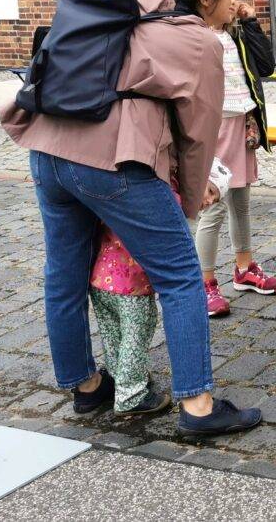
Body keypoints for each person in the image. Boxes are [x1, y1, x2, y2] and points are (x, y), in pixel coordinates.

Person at [0, 0, 262, 437]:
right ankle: (199, 407)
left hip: (49, 147)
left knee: (64, 272)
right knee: (181, 277)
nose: (236, 2)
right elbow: (198, 131)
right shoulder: (198, 40)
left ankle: (85, 384)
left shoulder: (126, 7)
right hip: (112, 162)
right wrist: (189, 194)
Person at [88, 160, 230, 415]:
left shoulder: (145, 187)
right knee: (136, 334)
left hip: (101, 277)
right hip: (131, 282)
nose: (209, 201)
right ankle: (130, 394)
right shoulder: (168, 200)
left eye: (215, 200)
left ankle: (122, 378)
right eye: (209, 191)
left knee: (113, 335)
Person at [194, 0, 276, 317]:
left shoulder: (237, 34)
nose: (236, 3)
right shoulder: (198, 36)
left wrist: (252, 22)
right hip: (213, 129)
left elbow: (267, 66)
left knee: (241, 202)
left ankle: (244, 269)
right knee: (213, 208)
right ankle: (205, 283)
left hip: (242, 124)